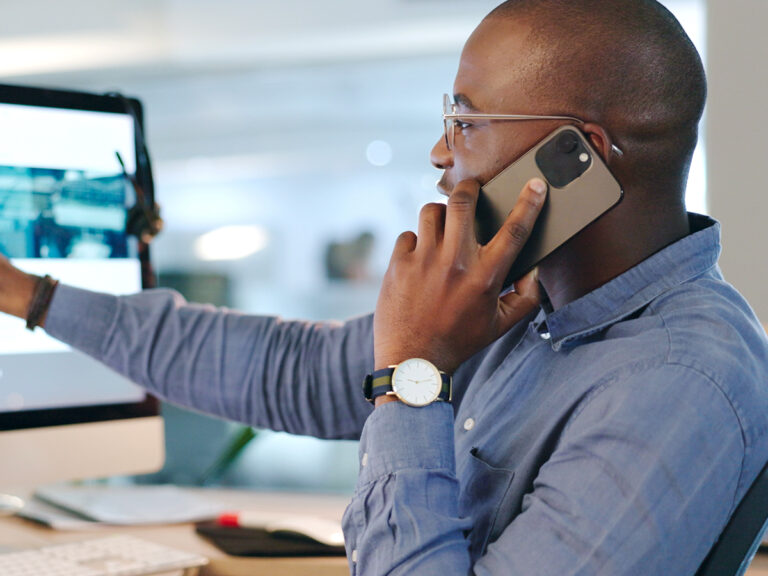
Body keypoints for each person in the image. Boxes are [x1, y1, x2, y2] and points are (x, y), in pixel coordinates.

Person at [1, 0, 767, 574]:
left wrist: (413, 379)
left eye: (466, 122)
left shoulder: (676, 380)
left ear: (579, 158)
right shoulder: (527, 311)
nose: (440, 151)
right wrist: (28, 295)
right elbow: (285, 370)